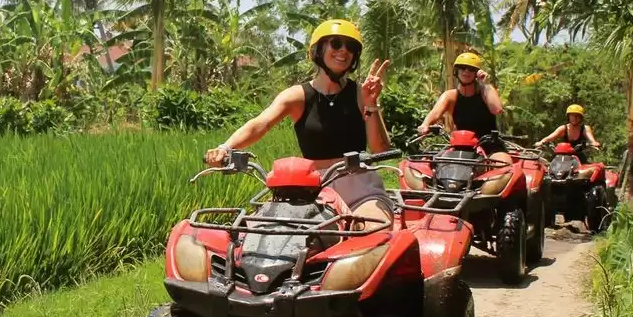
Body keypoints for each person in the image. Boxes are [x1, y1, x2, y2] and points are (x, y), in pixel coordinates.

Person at [203, 18, 394, 226]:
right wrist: (225, 147)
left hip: (361, 188)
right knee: (270, 235)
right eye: (336, 44)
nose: (343, 51)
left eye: (351, 47)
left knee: (375, 230)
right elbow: (261, 123)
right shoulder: (297, 96)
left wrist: (371, 105)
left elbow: (380, 149)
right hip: (314, 191)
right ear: (319, 49)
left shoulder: (360, 94)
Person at [415, 51, 511, 163]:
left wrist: (485, 83)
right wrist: (425, 125)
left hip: (490, 146)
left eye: (471, 69)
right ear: (456, 71)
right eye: (462, 67)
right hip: (461, 147)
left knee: (504, 165)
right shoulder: (450, 96)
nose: (466, 71)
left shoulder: (485, 91)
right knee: (429, 166)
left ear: (477, 73)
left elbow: (496, 109)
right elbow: (435, 113)